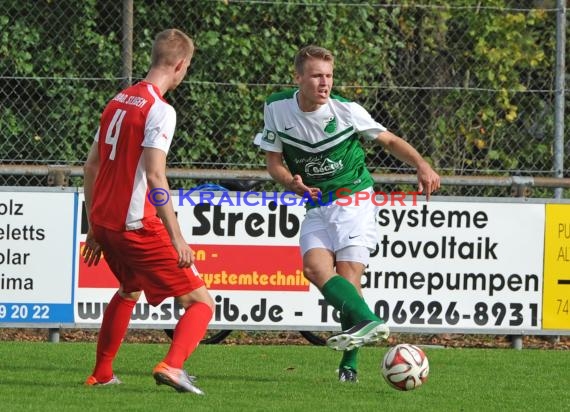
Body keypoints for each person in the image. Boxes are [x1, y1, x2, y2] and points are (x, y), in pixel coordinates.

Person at [256, 45, 440, 383]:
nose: (324, 83)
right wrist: (290, 182)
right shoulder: (276, 107)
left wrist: (421, 164)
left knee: (348, 275)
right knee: (313, 269)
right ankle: (370, 320)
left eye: (328, 76)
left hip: (353, 199)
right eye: (316, 76)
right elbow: (273, 162)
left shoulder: (345, 110)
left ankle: (349, 366)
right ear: (298, 78)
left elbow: (389, 141)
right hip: (315, 202)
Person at [82, 29, 214, 395]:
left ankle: (102, 373)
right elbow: (156, 175)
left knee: (128, 288)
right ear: (180, 65)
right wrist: (177, 238)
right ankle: (173, 366)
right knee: (201, 303)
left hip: (107, 223)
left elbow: (90, 166)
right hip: (136, 225)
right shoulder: (161, 110)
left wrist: (94, 225)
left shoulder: (118, 100)